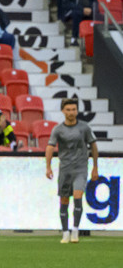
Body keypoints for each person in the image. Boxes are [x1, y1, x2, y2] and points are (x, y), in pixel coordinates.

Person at [45, 98, 99, 243]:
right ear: (63, 111)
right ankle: (65, 232)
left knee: (78, 196)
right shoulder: (58, 129)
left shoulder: (84, 128)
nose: (71, 112)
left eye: (73, 109)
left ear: (77, 111)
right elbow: (50, 147)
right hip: (65, 169)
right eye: (68, 110)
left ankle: (75, 230)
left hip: (80, 168)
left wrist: (95, 166)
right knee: (64, 200)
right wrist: (48, 166)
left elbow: (93, 146)